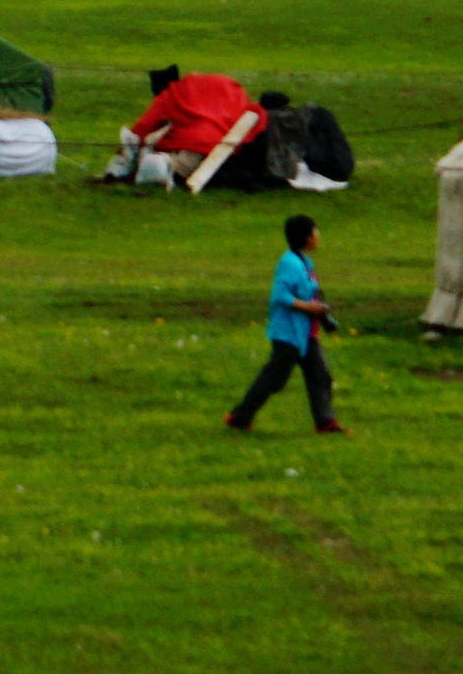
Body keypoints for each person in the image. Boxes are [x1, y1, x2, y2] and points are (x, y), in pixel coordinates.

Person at [227, 214, 345, 435]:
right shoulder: (290, 263)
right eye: (315, 232)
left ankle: (325, 422)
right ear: (307, 237)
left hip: (307, 333)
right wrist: (311, 308)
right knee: (275, 378)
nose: (318, 236)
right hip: (289, 334)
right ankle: (240, 417)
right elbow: (280, 296)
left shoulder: (303, 262)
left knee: (320, 375)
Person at [111, 66, 264, 191]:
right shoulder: (226, 84)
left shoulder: (170, 93)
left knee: (155, 163)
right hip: (227, 150)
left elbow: (141, 129)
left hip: (191, 147)